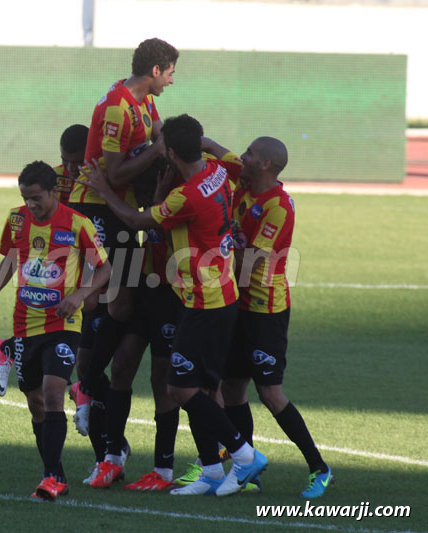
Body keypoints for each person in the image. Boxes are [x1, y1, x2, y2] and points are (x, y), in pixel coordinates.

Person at [79, 114, 268, 496]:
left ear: (168, 151)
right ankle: (212, 472)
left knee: (180, 388)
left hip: (204, 303)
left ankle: (245, 454)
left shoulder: (188, 195)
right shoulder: (216, 171)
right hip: (220, 295)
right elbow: (226, 158)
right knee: (194, 385)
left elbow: (135, 220)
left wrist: (104, 187)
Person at [0, 161, 111, 500]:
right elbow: (10, 259)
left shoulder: (77, 224)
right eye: (25, 197)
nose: (31, 205)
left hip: (64, 323)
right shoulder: (16, 219)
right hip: (25, 323)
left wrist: (80, 294)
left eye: (36, 198)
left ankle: (51, 478)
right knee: (35, 401)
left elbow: (105, 268)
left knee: (52, 392)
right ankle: (55, 472)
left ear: (54, 192)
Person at [211, 136, 333, 498]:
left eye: (249, 154)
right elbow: (212, 148)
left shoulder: (278, 207)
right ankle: (246, 469)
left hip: (266, 310)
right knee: (232, 389)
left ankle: (320, 468)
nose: (241, 158)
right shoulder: (244, 177)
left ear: (264, 164)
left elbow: (254, 263)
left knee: (270, 393)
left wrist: (216, 249)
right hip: (239, 305)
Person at [68, 38, 178, 437]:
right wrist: (156, 150)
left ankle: (91, 384)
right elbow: (113, 174)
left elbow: (158, 133)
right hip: (98, 205)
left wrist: (166, 143)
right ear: (155, 71)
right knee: (106, 298)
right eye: (169, 73)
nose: (171, 80)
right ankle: (87, 385)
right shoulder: (118, 107)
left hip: (119, 206)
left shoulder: (142, 100)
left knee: (118, 303)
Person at [0, 124, 89, 397]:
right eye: (65, 160)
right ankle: (82, 390)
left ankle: (82, 388)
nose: (70, 168)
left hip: (92, 250)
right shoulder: (52, 178)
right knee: (80, 321)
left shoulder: (102, 177)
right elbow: (11, 254)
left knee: (92, 324)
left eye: (77, 161)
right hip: (65, 259)